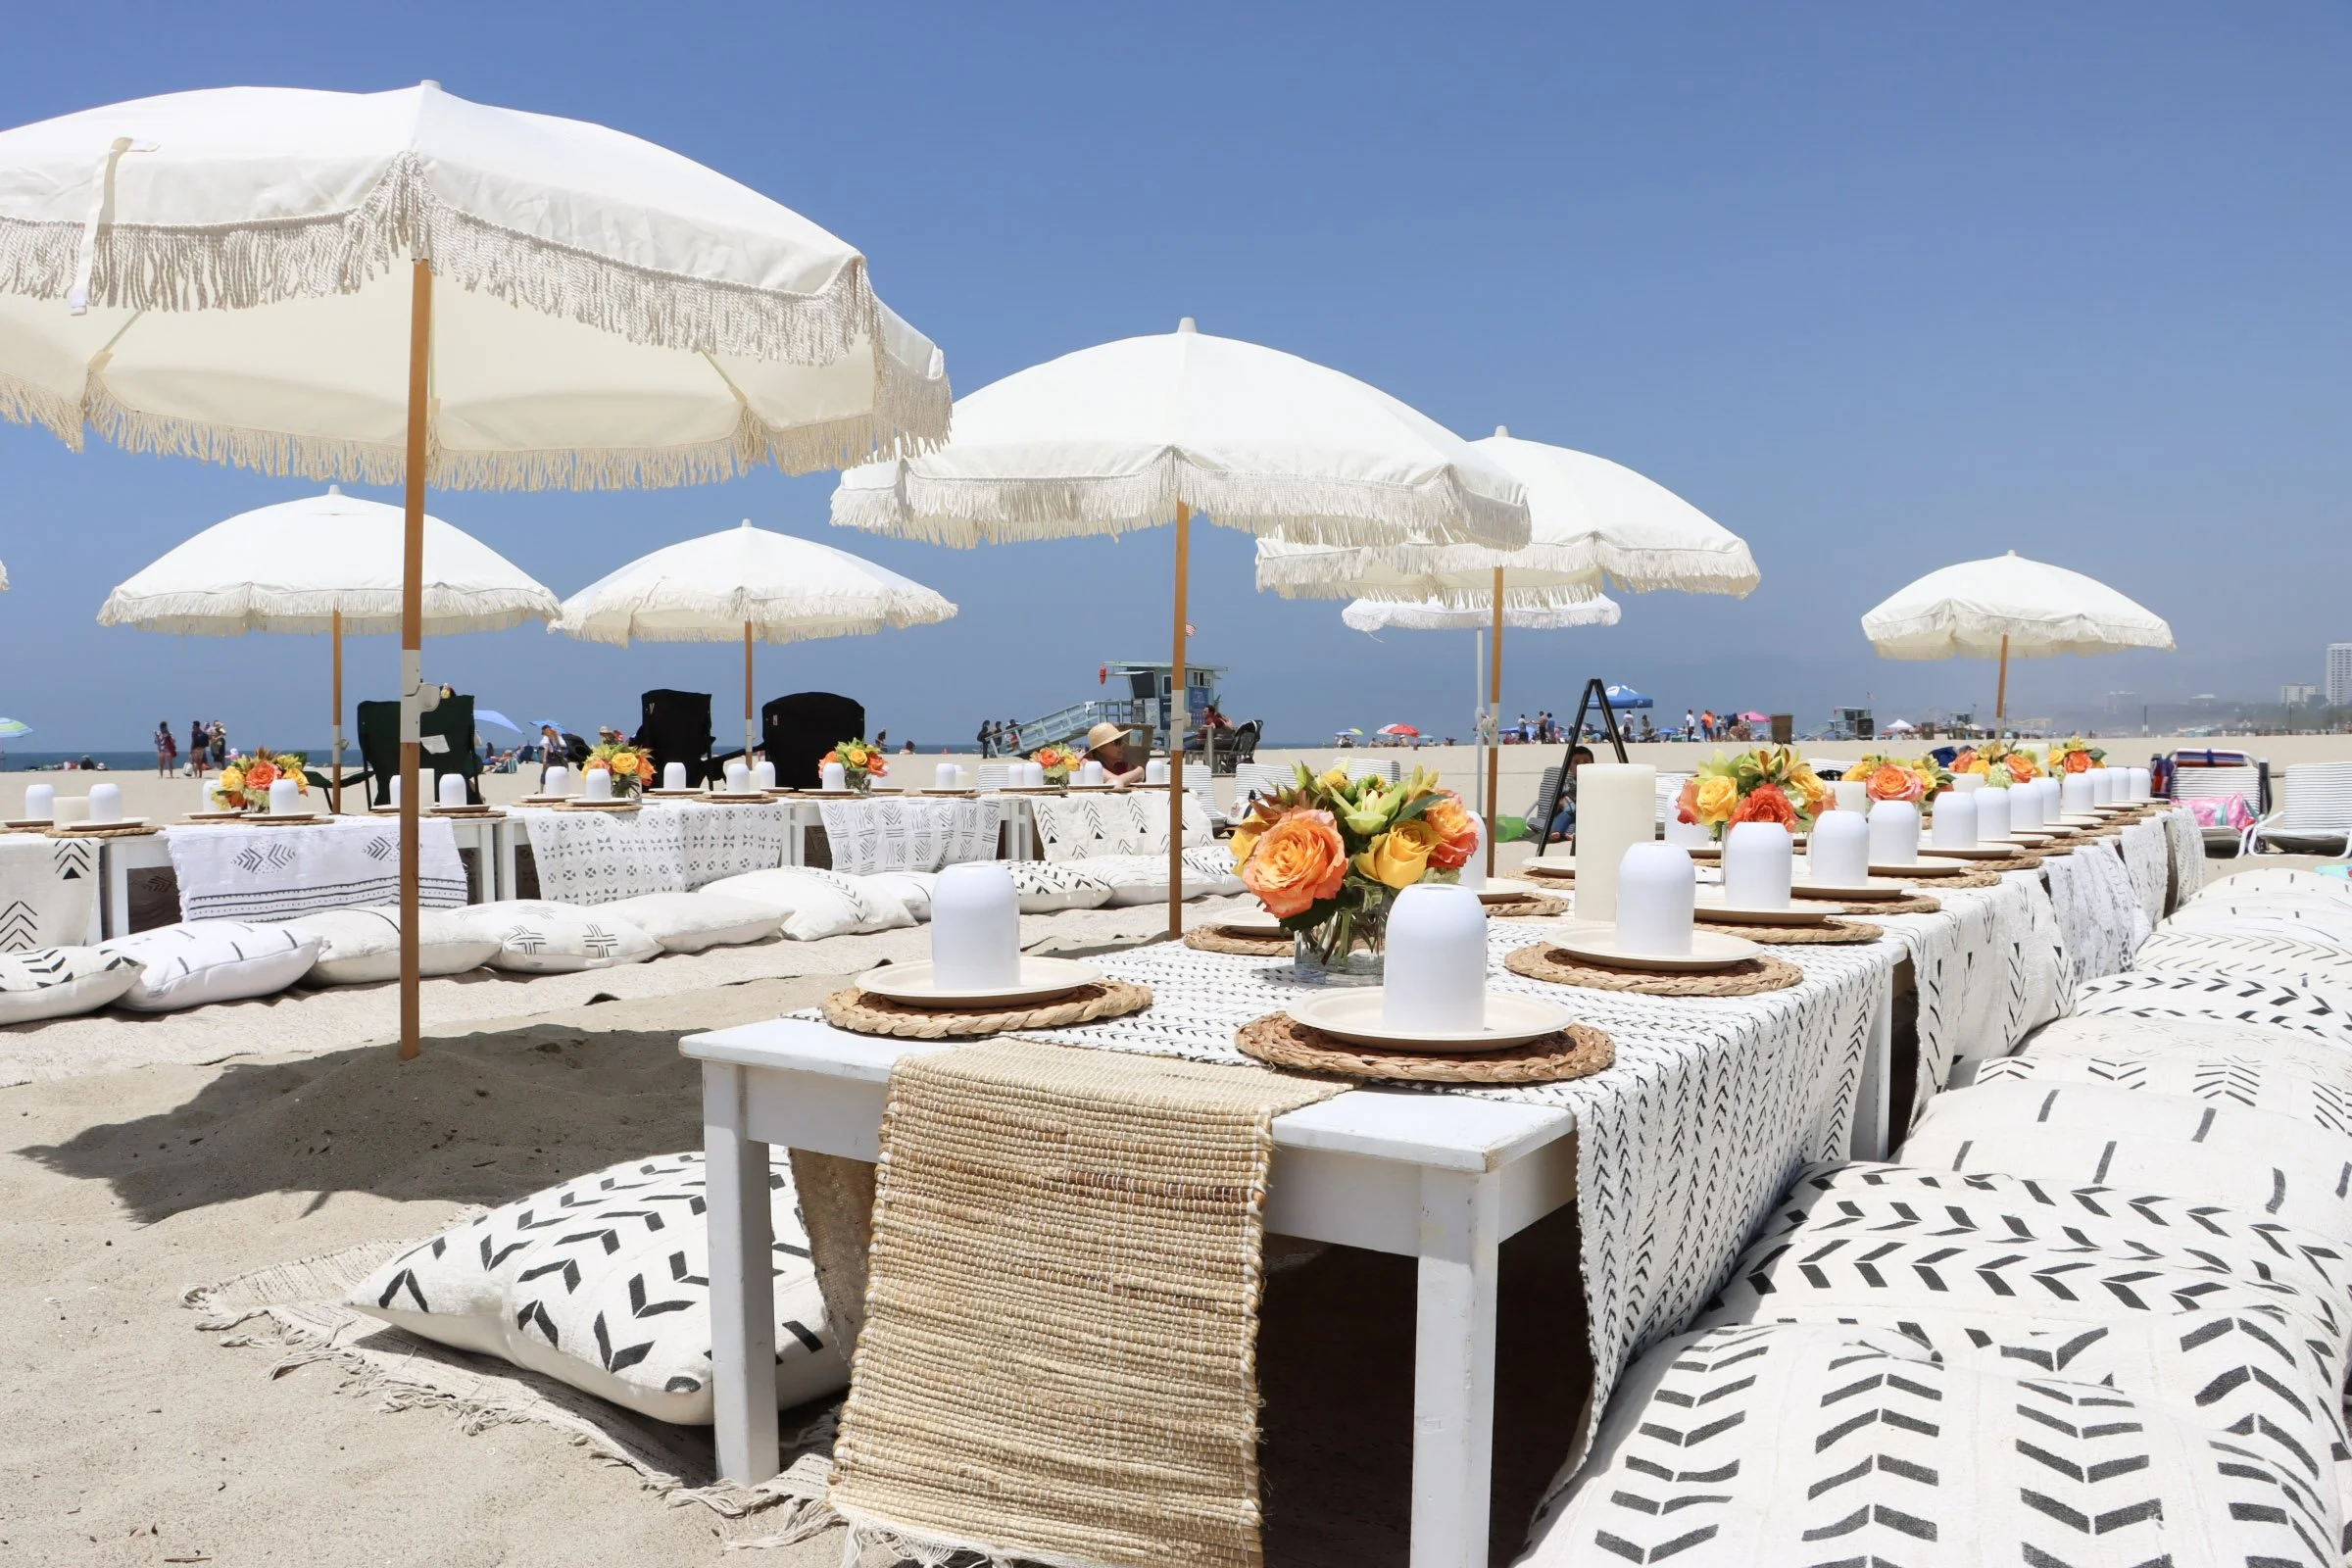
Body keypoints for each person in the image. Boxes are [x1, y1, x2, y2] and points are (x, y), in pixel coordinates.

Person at [1546, 745, 1596, 843]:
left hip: (1588, 811)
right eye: (1576, 762)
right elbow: (1555, 803)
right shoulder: (1566, 783)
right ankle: (1556, 833)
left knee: (1590, 820)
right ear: (1569, 767)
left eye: (1586, 761)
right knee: (1562, 817)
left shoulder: (1595, 781)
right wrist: (1560, 803)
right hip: (1569, 810)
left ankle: (1574, 834)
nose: (1582, 765)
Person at [1080, 720, 1147, 786]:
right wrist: (1139, 771)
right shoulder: (1089, 764)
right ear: (1101, 748)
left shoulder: (1123, 766)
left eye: (1121, 741)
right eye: (1117, 742)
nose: (1122, 746)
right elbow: (1115, 783)